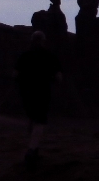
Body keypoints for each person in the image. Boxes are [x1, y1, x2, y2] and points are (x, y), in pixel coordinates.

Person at [14, 30, 62, 169]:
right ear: (43, 41)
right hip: (42, 92)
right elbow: (59, 77)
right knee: (40, 121)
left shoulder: (24, 56)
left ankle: (33, 147)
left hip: (26, 93)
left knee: (33, 119)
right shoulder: (49, 56)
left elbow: (15, 74)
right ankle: (32, 149)